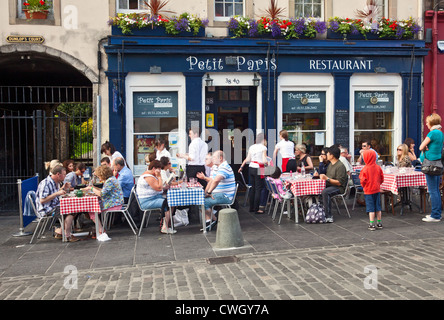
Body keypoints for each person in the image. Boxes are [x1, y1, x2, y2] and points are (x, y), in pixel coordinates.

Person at [36, 165, 79, 242]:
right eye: (64, 174)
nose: (65, 176)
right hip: (47, 209)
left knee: (74, 208)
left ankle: (60, 232)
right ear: (58, 174)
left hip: (54, 206)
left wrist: (63, 188)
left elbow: (54, 192)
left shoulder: (56, 182)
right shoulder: (45, 183)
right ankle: (67, 235)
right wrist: (57, 193)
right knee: (71, 211)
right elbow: (42, 200)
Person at [136, 160, 174, 234]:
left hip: (153, 197)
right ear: (154, 168)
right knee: (169, 203)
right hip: (147, 201)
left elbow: (158, 187)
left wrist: (164, 187)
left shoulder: (151, 175)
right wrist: (159, 177)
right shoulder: (148, 177)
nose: (160, 171)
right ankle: (164, 227)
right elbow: (158, 187)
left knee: (171, 201)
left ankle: (165, 224)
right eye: (159, 169)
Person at [203, 151, 236, 231]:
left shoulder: (224, 167)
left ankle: (213, 220)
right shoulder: (219, 167)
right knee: (201, 200)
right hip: (220, 194)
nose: (212, 159)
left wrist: (209, 192)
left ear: (220, 158)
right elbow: (212, 180)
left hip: (225, 196)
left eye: (214, 157)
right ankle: (210, 220)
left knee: (203, 202)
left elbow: (216, 181)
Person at [420, 113, 444, 222]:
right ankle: (437, 213)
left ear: (431, 123)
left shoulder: (432, 133)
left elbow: (421, 147)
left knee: (432, 190)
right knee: (436, 190)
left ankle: (435, 215)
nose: (426, 124)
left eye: (427, 122)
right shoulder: (440, 133)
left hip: (430, 163)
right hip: (438, 163)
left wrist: (425, 147)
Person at [87, 165, 124, 236]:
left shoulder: (110, 181)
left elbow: (101, 194)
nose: (99, 178)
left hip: (114, 204)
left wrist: (91, 189)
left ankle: (101, 230)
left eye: (99, 176)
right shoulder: (111, 179)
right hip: (115, 202)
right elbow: (104, 191)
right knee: (93, 208)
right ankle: (100, 228)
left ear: (103, 175)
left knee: (92, 210)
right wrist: (93, 187)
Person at [239, 133, 268, 214]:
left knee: (252, 188)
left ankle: (251, 208)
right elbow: (264, 160)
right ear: (263, 139)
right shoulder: (263, 147)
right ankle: (256, 209)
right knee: (258, 189)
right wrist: (267, 163)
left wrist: (241, 167)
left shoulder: (252, 146)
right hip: (259, 168)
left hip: (251, 168)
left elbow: (247, 159)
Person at [319, 145, 348, 223]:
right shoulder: (330, 165)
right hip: (330, 185)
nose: (326, 155)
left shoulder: (340, 166)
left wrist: (327, 179)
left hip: (339, 187)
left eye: (328, 153)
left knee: (325, 192)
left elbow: (339, 182)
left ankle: (328, 216)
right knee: (317, 190)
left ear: (332, 155)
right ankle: (318, 212)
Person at [359, 150, 384, 231]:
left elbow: (362, 180)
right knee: (378, 208)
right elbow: (381, 178)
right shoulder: (378, 167)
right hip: (377, 189)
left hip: (368, 191)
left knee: (371, 209)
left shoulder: (365, 169)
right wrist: (378, 184)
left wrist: (364, 186)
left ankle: (372, 224)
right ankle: (379, 223)